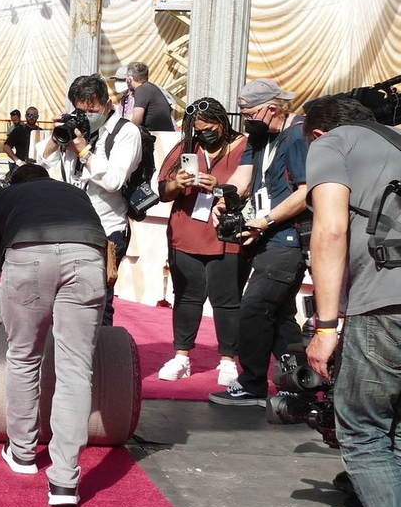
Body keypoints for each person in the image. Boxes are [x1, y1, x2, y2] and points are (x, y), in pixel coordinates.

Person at [303, 95, 401, 507]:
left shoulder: (332, 145)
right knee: (398, 432)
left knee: (362, 430)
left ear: (316, 133)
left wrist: (324, 326)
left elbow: (331, 228)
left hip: (383, 303)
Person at [0, 165, 108, 507]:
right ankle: (64, 482)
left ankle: (23, 453)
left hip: (28, 257)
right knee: (76, 370)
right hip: (87, 260)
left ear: (16, 182)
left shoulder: (7, 196)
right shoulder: (75, 194)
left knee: (24, 357)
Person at [208, 78, 309, 409]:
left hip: (288, 235)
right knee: (279, 315)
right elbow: (244, 176)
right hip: (269, 234)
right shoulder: (259, 134)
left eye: (249, 111)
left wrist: (265, 221)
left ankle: (252, 383)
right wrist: (225, 198)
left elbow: (305, 193)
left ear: (271, 108)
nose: (246, 118)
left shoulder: (296, 135)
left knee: (253, 308)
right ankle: (299, 384)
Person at [155, 99, 248, 386]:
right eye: (198, 130)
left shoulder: (244, 147)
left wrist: (219, 188)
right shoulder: (186, 148)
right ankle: (182, 357)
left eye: (209, 128)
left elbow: (251, 186)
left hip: (226, 233)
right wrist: (178, 184)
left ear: (222, 123)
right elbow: (162, 189)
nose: (204, 134)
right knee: (186, 296)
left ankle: (228, 360)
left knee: (227, 300)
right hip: (186, 232)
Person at [37, 73, 142, 326]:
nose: (87, 114)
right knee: (62, 299)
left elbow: (114, 180)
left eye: (92, 109)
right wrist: (57, 136)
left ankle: (102, 358)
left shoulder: (125, 132)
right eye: (80, 109)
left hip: (105, 231)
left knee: (98, 302)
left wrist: (84, 150)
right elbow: (42, 160)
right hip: (66, 228)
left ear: (107, 103)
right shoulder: (74, 126)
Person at [126, 62, 176, 131]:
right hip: (165, 134)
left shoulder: (141, 90)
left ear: (129, 79)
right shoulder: (152, 88)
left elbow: (137, 121)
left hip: (156, 136)